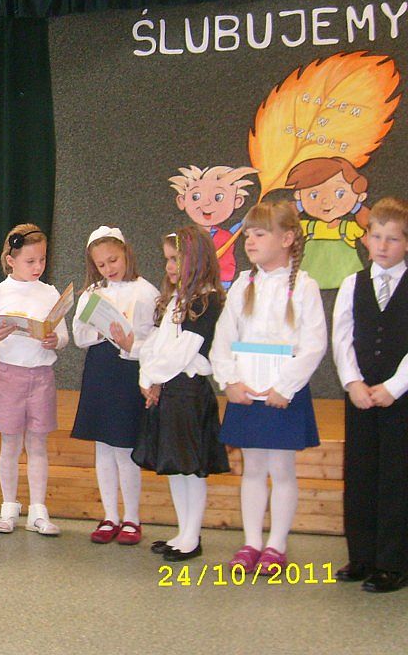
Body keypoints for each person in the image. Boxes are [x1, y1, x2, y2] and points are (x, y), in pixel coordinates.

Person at [210, 201, 327, 572]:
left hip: (282, 396)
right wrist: (229, 380)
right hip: (247, 393)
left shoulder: (304, 287)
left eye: (260, 234)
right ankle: (251, 543)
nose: (250, 241)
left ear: (287, 239)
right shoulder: (243, 284)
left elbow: (314, 345)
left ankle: (276, 545)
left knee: (282, 469)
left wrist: (285, 387)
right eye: (248, 235)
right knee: (253, 467)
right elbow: (223, 338)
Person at [132, 227, 230, 562]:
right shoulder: (177, 298)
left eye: (176, 259)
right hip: (168, 389)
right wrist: (147, 376)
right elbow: (156, 344)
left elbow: (184, 351)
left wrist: (154, 376)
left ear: (196, 259)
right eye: (168, 260)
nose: (169, 267)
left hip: (189, 392)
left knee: (190, 466)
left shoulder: (208, 300)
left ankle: (192, 535)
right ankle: (182, 530)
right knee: (175, 465)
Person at [332, 196, 408, 593]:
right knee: (360, 474)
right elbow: (342, 337)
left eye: (393, 239)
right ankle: (361, 556)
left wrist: (395, 386)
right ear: (366, 239)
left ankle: (393, 562)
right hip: (361, 394)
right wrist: (352, 382)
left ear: (406, 243)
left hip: (400, 397)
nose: (383, 246)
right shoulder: (353, 283)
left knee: (396, 476)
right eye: (376, 237)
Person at [71, 226, 159, 545]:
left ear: (126, 254)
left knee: (125, 448)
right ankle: (110, 516)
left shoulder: (146, 292)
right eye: (101, 264)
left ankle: (132, 518)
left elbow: (153, 340)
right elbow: (79, 335)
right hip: (100, 369)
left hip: (129, 370)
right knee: (103, 448)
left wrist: (130, 342)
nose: (109, 268)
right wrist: (101, 330)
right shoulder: (92, 293)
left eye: (113, 260)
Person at [0, 224, 69, 536]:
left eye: (42, 260)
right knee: (9, 443)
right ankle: (9, 507)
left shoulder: (50, 293)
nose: (38, 266)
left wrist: (55, 340)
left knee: (37, 444)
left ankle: (38, 510)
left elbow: (63, 336)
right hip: (9, 375)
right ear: (11, 260)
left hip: (41, 376)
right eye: (30, 261)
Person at [285, 156, 370, 289]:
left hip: (348, 285)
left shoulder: (349, 228)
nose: (325, 201)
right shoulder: (307, 227)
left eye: (340, 193)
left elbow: (370, 242)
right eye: (314, 195)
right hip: (309, 284)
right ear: (298, 195)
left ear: (360, 196)